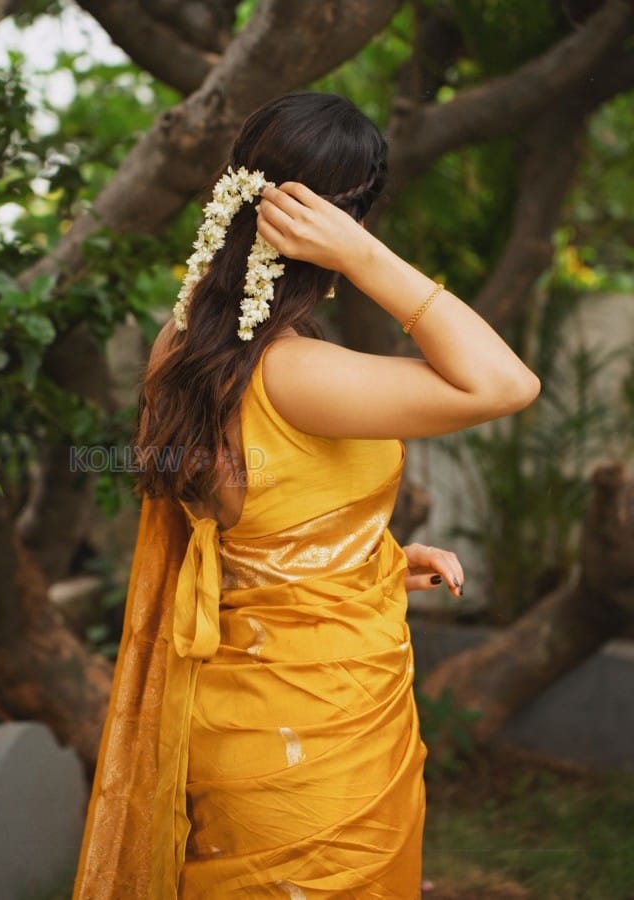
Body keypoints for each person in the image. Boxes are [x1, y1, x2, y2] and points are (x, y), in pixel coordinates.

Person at [73, 93, 540, 900]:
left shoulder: (177, 346)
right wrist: (368, 259)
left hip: (235, 714)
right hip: (320, 737)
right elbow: (507, 383)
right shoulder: (301, 373)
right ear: (345, 221)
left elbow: (245, 522)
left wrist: (372, 557)